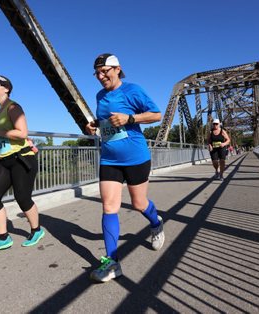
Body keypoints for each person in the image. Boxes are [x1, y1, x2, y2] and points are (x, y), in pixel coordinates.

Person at [85, 53, 164, 283]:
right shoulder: (100, 95)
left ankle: (156, 224)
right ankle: (112, 262)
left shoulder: (133, 90)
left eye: (104, 71)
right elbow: (105, 121)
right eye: (97, 73)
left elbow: (157, 115)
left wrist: (130, 119)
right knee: (109, 207)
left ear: (117, 69)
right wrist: (93, 126)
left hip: (136, 157)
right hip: (109, 158)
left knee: (139, 203)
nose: (100, 77)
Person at [0, 74, 44, 255]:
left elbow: (22, 132)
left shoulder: (13, 107)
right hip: (4, 159)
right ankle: (3, 238)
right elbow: (5, 134)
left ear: (6, 88)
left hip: (21, 158)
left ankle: (36, 230)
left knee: (22, 197)